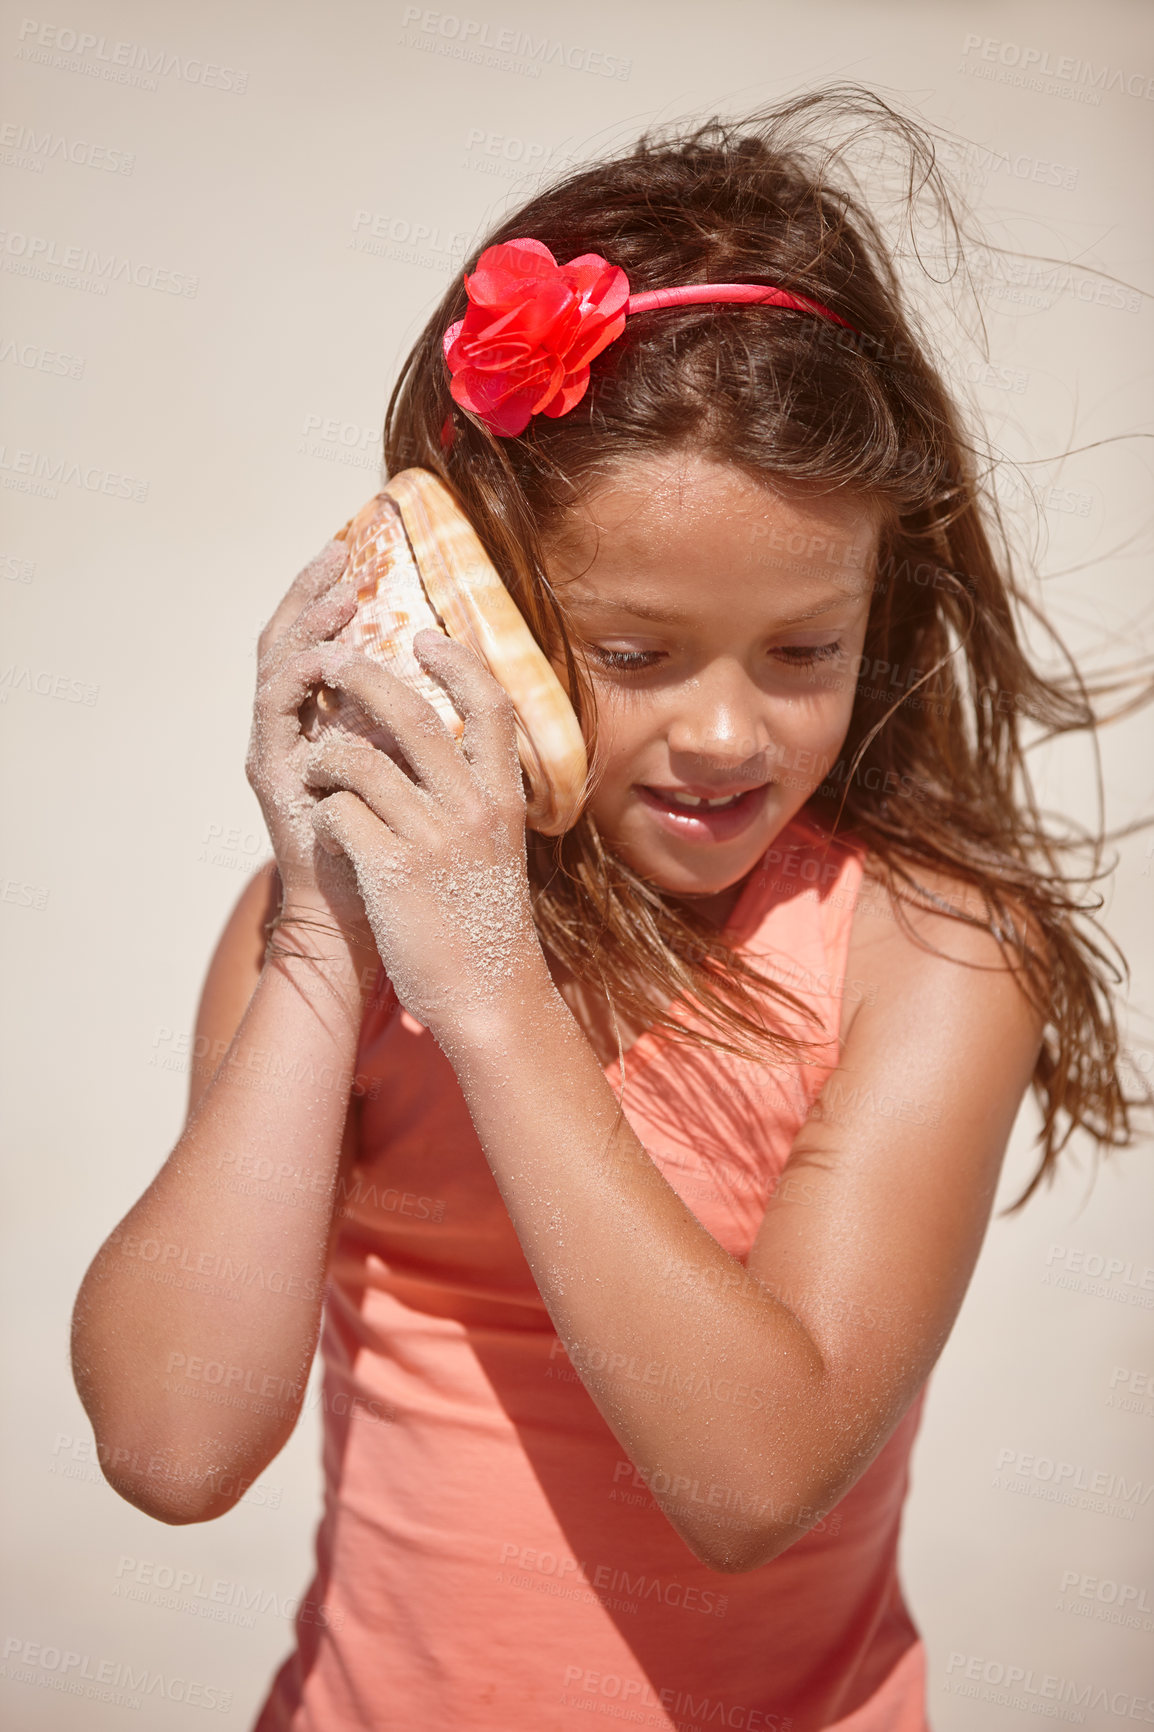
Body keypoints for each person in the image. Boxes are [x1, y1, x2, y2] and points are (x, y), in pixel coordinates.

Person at [70, 90, 1141, 1731]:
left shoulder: (920, 950)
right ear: (475, 601)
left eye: (804, 650)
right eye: (633, 654)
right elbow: (169, 1446)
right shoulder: (335, 941)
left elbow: (751, 1478)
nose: (726, 734)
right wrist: (312, 942)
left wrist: (494, 1002)